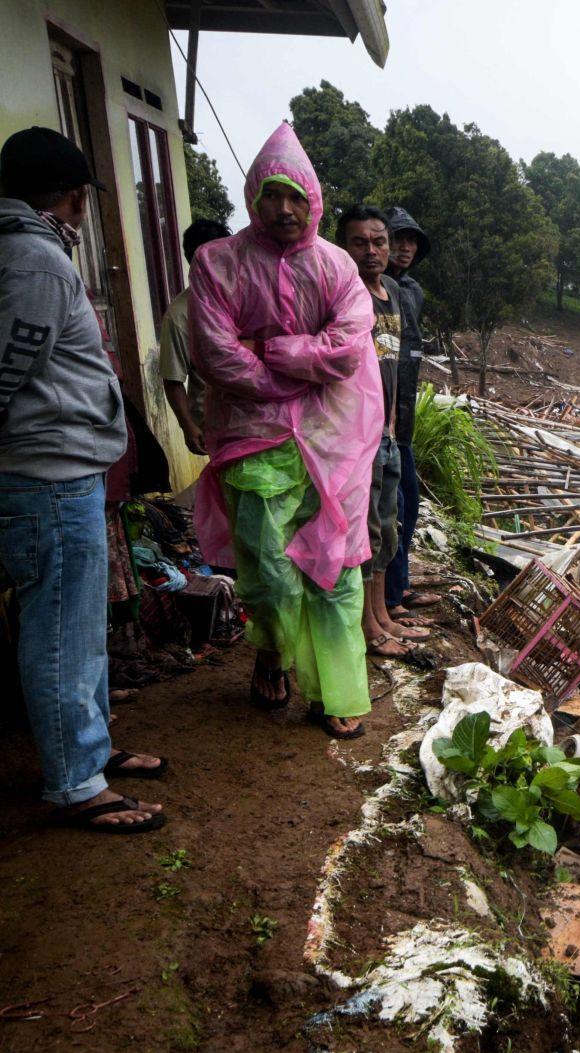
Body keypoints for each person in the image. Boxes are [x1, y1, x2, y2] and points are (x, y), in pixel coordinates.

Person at [189, 122, 380, 739]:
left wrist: (268, 349)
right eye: (272, 194)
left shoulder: (337, 266)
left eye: (297, 196)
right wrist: (301, 371)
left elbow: (347, 351)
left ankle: (337, 691)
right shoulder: (218, 263)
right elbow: (216, 355)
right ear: (253, 196)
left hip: (335, 441)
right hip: (254, 440)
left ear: (314, 200)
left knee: (335, 567)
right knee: (268, 571)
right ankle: (272, 655)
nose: (284, 209)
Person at [0, 126, 166, 832]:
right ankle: (75, 780)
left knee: (77, 619)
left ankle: (89, 746)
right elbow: (12, 363)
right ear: (72, 196)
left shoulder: (27, 251)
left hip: (62, 469)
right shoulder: (36, 260)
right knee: (61, 627)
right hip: (47, 472)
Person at [333, 203, 425, 657]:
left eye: (379, 241)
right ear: (343, 247)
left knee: (388, 525)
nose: (371, 251)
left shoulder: (391, 289)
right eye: (359, 242)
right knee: (366, 530)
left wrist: (396, 424)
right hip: (359, 434)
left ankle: (384, 615)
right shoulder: (345, 294)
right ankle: (369, 626)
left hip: (390, 431)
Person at [380, 206, 437, 622]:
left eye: (411, 240)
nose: (405, 247)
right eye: (397, 239)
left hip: (403, 419)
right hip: (381, 417)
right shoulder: (373, 291)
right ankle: (388, 601)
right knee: (391, 509)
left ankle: (399, 587)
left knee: (410, 505)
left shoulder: (412, 291)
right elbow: (382, 360)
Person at [156, 218, 233, 456]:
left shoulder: (246, 299)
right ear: (194, 261)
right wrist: (188, 426)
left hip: (258, 418)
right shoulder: (180, 315)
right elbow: (173, 379)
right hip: (215, 426)